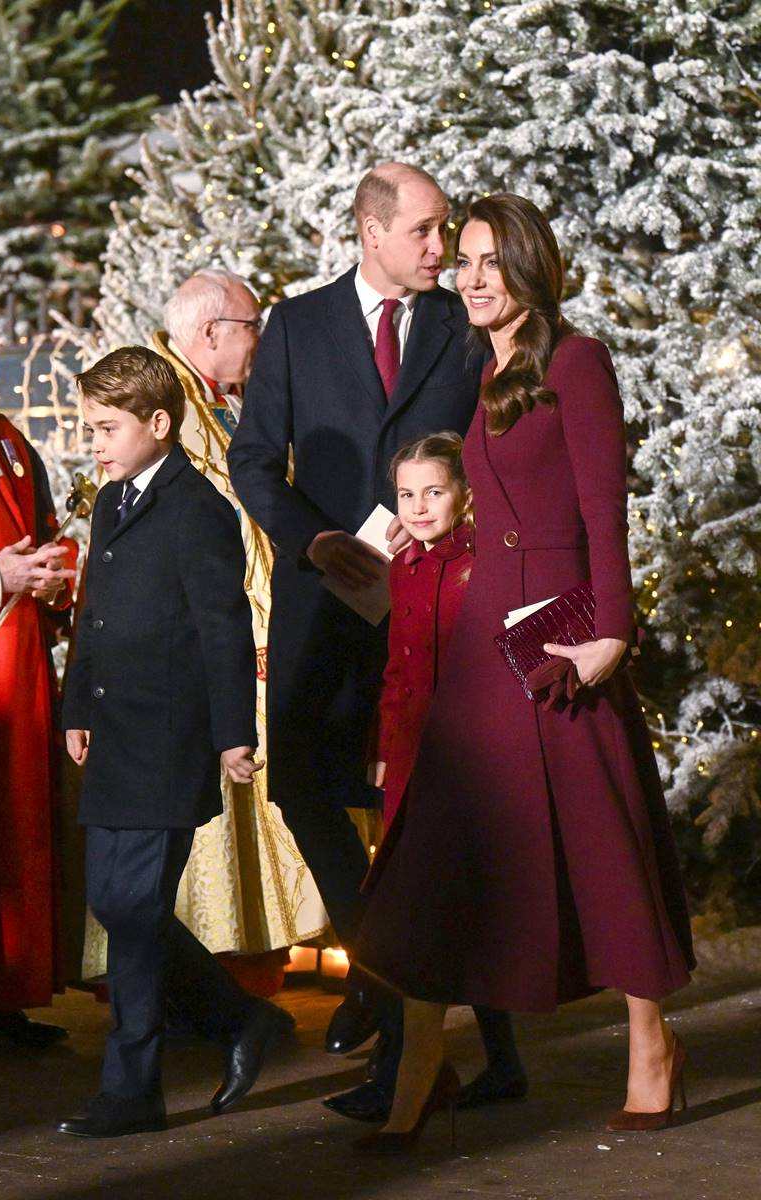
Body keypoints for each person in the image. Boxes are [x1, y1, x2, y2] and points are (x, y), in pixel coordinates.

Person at [353, 193, 696, 1153]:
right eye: (460, 261)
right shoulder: (486, 366)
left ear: (528, 267)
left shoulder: (577, 361)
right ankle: (423, 1071)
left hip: (557, 647)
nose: (469, 277)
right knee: (429, 860)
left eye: (487, 261)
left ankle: (650, 1046)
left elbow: (601, 506)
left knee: (603, 849)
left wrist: (611, 637)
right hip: (479, 652)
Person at [229, 161, 523, 1121]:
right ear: (371, 232)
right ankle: (395, 997)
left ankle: (480, 1047)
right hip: (328, 603)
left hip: (443, 605)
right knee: (308, 792)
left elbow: (495, 447)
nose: (445, 250)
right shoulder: (298, 325)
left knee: (447, 811)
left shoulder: (461, 325)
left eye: (447, 233)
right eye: (428, 232)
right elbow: (254, 459)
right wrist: (311, 537)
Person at [58, 347, 293, 1139]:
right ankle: (241, 1018)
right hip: (113, 731)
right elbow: (95, 611)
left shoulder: (199, 510)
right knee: (115, 903)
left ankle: (133, 1090)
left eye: (106, 427)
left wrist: (233, 734)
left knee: (134, 905)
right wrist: (75, 704)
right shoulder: (110, 502)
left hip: (170, 737)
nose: (93, 441)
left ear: (158, 425)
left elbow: (224, 628)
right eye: (90, 427)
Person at [82, 270, 329, 993]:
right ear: (212, 332)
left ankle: (237, 994)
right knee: (152, 873)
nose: (262, 340)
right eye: (254, 325)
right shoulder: (169, 405)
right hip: (192, 658)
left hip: (243, 632)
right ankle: (220, 998)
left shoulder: (221, 401)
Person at [372, 431, 526, 1107]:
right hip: (409, 756)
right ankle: (458, 1064)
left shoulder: (483, 561)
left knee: (463, 905)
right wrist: (382, 748)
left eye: (434, 491)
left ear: (463, 493)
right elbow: (397, 667)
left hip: (466, 758)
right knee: (423, 906)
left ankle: (463, 1067)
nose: (419, 506)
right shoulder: (401, 566)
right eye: (407, 494)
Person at [0, 291, 76, 1047]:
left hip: (21, 669)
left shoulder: (4, 436)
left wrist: (59, 570)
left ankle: (5, 996)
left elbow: (40, 533)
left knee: (21, 829)